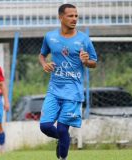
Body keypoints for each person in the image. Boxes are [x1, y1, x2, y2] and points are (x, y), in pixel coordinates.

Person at [38, 3, 97, 160]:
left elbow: (94, 62)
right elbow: (42, 55)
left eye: (76, 16)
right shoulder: (50, 37)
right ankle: (64, 140)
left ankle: (62, 156)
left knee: (63, 130)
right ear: (61, 17)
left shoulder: (84, 39)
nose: (74, 19)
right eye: (70, 16)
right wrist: (45, 64)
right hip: (54, 90)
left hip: (73, 92)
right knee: (45, 126)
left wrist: (86, 62)